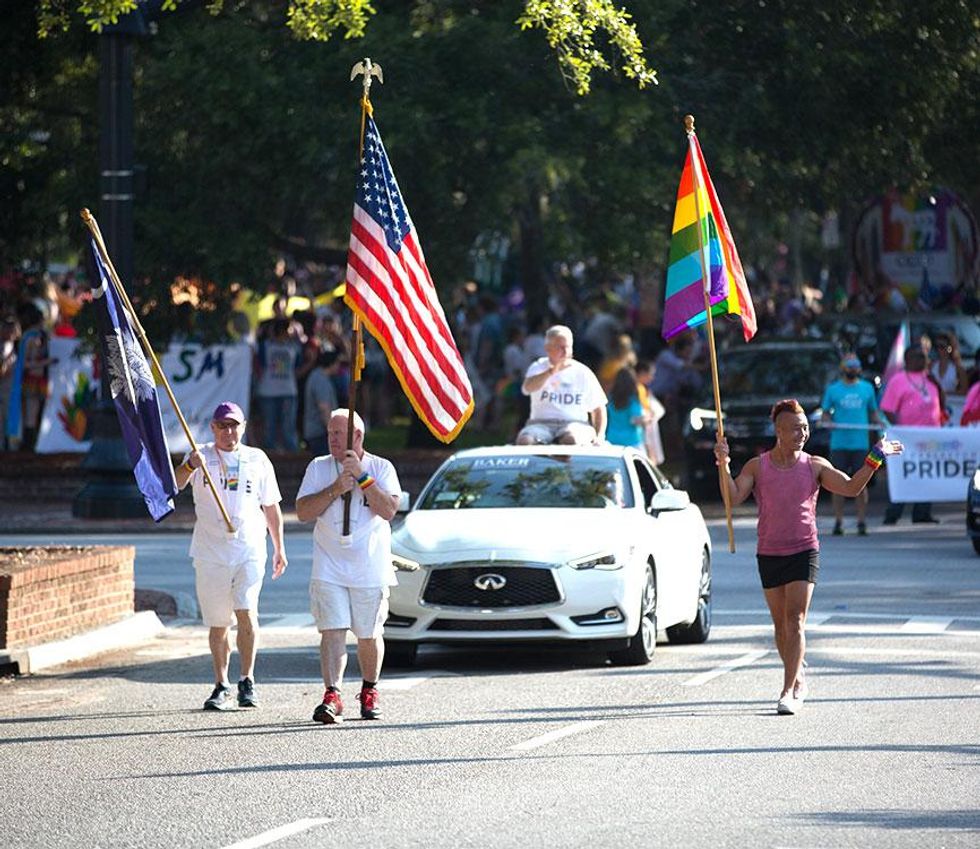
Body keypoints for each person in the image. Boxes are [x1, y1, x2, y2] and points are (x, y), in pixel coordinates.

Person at [714, 398, 902, 715]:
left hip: (804, 549)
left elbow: (852, 488)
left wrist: (875, 457)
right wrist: (724, 464)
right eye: (795, 428)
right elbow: (732, 498)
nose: (802, 433)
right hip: (769, 551)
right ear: (778, 431)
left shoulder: (815, 465)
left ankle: (789, 690)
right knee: (780, 628)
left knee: (795, 621)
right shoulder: (757, 466)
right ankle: (797, 669)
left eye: (805, 427)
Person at [175, 401, 288, 711]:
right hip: (211, 551)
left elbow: (271, 506)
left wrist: (279, 547)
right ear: (213, 428)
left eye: (234, 425)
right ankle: (220, 683)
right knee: (218, 622)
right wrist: (189, 466)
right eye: (222, 426)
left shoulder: (257, 459)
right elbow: (175, 483)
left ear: (243, 426)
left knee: (246, 610)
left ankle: (247, 679)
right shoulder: (201, 455)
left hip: (249, 547)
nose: (229, 431)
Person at [295, 410, 401, 724]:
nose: (332, 439)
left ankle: (369, 690)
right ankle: (332, 694)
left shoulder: (381, 467)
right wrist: (335, 489)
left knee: (368, 633)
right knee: (332, 630)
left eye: (339, 434)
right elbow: (302, 511)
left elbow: (389, 510)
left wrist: (363, 479)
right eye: (330, 433)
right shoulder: (318, 467)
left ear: (357, 437)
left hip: (369, 564)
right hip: (329, 563)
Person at [820, 354, 883, 535]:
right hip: (839, 444)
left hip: (860, 444)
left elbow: (873, 413)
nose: (853, 368)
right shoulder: (833, 390)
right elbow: (825, 414)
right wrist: (828, 422)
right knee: (837, 484)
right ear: (842, 367)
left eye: (856, 364)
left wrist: (881, 425)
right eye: (849, 365)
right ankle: (838, 521)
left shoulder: (867, 388)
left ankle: (861, 521)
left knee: (861, 484)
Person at [879, 347, 943, 525]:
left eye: (925, 357)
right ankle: (893, 513)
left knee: (927, 474)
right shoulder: (898, 380)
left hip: (929, 438)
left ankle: (922, 513)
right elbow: (888, 408)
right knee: (904, 474)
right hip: (907, 438)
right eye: (919, 357)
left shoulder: (929, 379)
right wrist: (901, 429)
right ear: (908, 359)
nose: (923, 360)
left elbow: (941, 404)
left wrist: (936, 383)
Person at [516, 325, 607, 445]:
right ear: (548, 348)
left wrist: (600, 436)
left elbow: (598, 408)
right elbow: (527, 389)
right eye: (560, 347)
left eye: (568, 347)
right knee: (524, 441)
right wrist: (550, 372)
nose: (565, 352)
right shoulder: (538, 367)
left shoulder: (582, 372)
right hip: (540, 424)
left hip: (575, 425)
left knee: (571, 440)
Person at [302, 348, 340, 456]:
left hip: (318, 433)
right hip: (319, 434)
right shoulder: (320, 380)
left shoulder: (318, 376)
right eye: (337, 363)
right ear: (331, 363)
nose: (338, 367)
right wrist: (334, 432)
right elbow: (323, 408)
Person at [605, 367, 646, 449]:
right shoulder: (633, 399)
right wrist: (647, 419)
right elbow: (634, 420)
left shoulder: (610, 397)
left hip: (612, 438)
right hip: (632, 441)